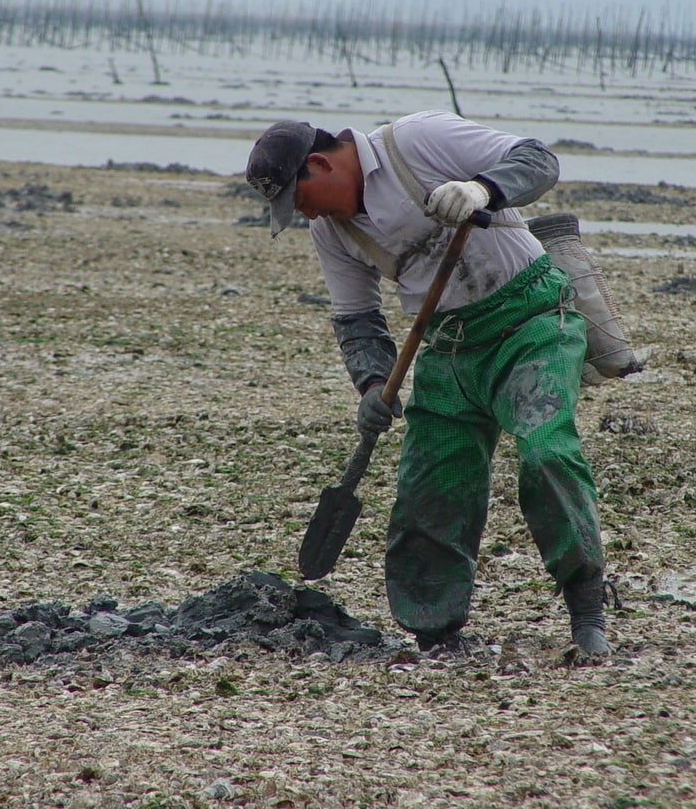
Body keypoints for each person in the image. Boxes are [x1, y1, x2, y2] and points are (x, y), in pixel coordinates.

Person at [246, 109, 609, 657]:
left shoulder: (418, 140)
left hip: (532, 322)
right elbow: (356, 317)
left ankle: (587, 611)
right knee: (430, 489)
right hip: (448, 345)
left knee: (545, 451)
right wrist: (372, 384)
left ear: (319, 163)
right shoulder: (333, 232)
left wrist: (482, 189)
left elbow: (539, 160)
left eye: (300, 198)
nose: (304, 213)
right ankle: (435, 632)